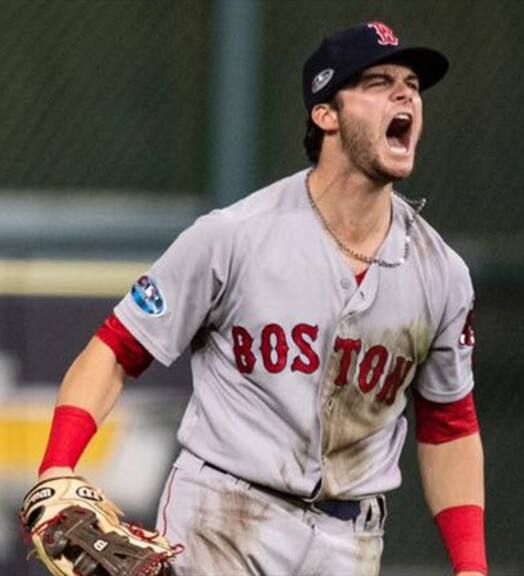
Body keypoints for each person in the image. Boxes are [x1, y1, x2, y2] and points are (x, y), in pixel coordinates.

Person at [31, 21, 487, 576]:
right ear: (326, 115)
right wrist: (57, 467)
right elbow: (115, 348)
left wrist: (471, 565)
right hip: (223, 519)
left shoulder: (440, 272)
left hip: (351, 540)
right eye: (378, 82)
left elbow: (449, 424)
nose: (405, 95)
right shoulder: (234, 236)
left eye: (412, 84)